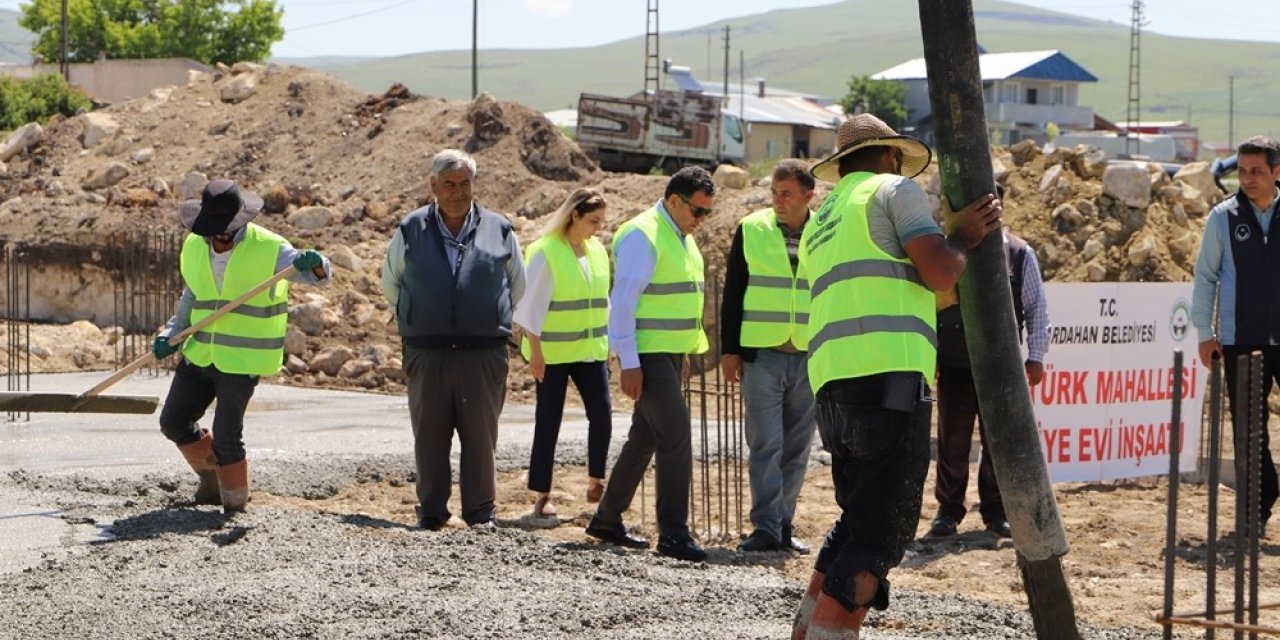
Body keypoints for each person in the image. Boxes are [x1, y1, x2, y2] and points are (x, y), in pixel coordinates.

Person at [791, 114, 1002, 639]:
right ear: (889, 155)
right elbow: (940, 270)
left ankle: (806, 630)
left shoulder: (821, 219)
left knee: (856, 520)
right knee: (881, 536)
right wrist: (964, 237)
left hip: (833, 383)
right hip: (888, 380)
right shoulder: (894, 190)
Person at [154, 179, 332, 514]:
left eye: (225, 229)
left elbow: (318, 274)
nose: (218, 236)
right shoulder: (194, 246)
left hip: (243, 357)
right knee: (173, 421)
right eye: (212, 230)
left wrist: (316, 262)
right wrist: (171, 333)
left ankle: (234, 504)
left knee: (226, 436)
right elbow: (192, 295)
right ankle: (210, 481)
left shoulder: (269, 247)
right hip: (201, 351)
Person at [380, 149, 525, 531]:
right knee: (429, 437)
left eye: (465, 184)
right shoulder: (411, 228)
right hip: (427, 353)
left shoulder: (500, 228)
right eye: (449, 185)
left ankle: (480, 513)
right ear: (433, 186)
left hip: (483, 354)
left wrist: (486, 314)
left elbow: (517, 285)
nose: (458, 192)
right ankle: (431, 513)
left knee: (480, 437)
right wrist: (419, 314)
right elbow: (390, 281)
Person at [584, 166, 715, 562]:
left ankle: (606, 519)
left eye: (707, 213)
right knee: (676, 433)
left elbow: (680, 301)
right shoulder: (644, 234)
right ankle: (673, 533)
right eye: (697, 211)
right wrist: (628, 359)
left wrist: (687, 352)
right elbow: (623, 303)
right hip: (648, 355)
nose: (701, 221)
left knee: (645, 437)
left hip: (669, 356)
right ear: (674, 201)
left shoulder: (681, 236)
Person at [928, 192, 1051, 539]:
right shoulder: (947, 250)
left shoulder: (1018, 252)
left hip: (1003, 368)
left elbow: (1037, 308)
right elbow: (930, 303)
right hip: (955, 362)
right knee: (952, 441)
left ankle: (996, 511)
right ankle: (948, 511)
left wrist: (1036, 356)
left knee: (999, 443)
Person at [720, 158, 818, 554]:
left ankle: (784, 524)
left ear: (809, 196)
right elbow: (734, 291)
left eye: (787, 194)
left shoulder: (826, 232)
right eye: (774, 193)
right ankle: (764, 527)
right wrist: (731, 350)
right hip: (763, 354)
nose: (778, 201)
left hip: (811, 355)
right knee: (765, 444)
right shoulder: (751, 229)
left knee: (798, 448)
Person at [1192, 135, 1280, 536]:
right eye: (1242, 171)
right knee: (1247, 430)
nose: (1247, 179)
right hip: (1240, 340)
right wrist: (1205, 331)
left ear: (1276, 172)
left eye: (1256, 171)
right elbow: (1206, 276)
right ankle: (1254, 510)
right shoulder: (1222, 218)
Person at [514, 188, 613, 518]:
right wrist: (536, 353)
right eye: (593, 220)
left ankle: (596, 482)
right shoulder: (545, 251)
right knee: (549, 420)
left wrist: (609, 343)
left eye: (601, 221)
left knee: (602, 413)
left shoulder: (597, 250)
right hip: (553, 352)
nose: (598, 228)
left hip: (590, 350)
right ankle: (542, 495)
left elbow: (602, 301)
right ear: (574, 215)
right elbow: (530, 306)